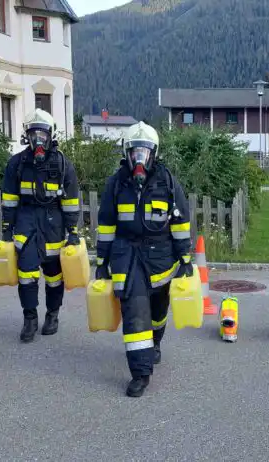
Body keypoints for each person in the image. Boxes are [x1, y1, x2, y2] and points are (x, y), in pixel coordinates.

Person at [94, 121, 194, 397]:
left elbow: (180, 224)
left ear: (154, 153)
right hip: (127, 257)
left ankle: (156, 342)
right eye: (134, 152)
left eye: (144, 152)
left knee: (158, 312)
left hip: (161, 259)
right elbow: (106, 226)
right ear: (126, 153)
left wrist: (185, 259)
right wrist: (101, 262)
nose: (139, 158)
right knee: (136, 314)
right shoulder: (116, 184)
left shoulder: (168, 183)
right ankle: (141, 373)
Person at [0, 109, 81, 343]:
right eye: (34, 134)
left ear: (50, 135)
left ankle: (52, 315)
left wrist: (73, 232)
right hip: (26, 221)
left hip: (53, 223)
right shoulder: (17, 164)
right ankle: (30, 318)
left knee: (54, 276)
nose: (38, 139)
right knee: (26, 273)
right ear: (27, 135)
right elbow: (9, 199)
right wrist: (7, 227)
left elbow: (71, 202)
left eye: (42, 135)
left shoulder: (63, 165)